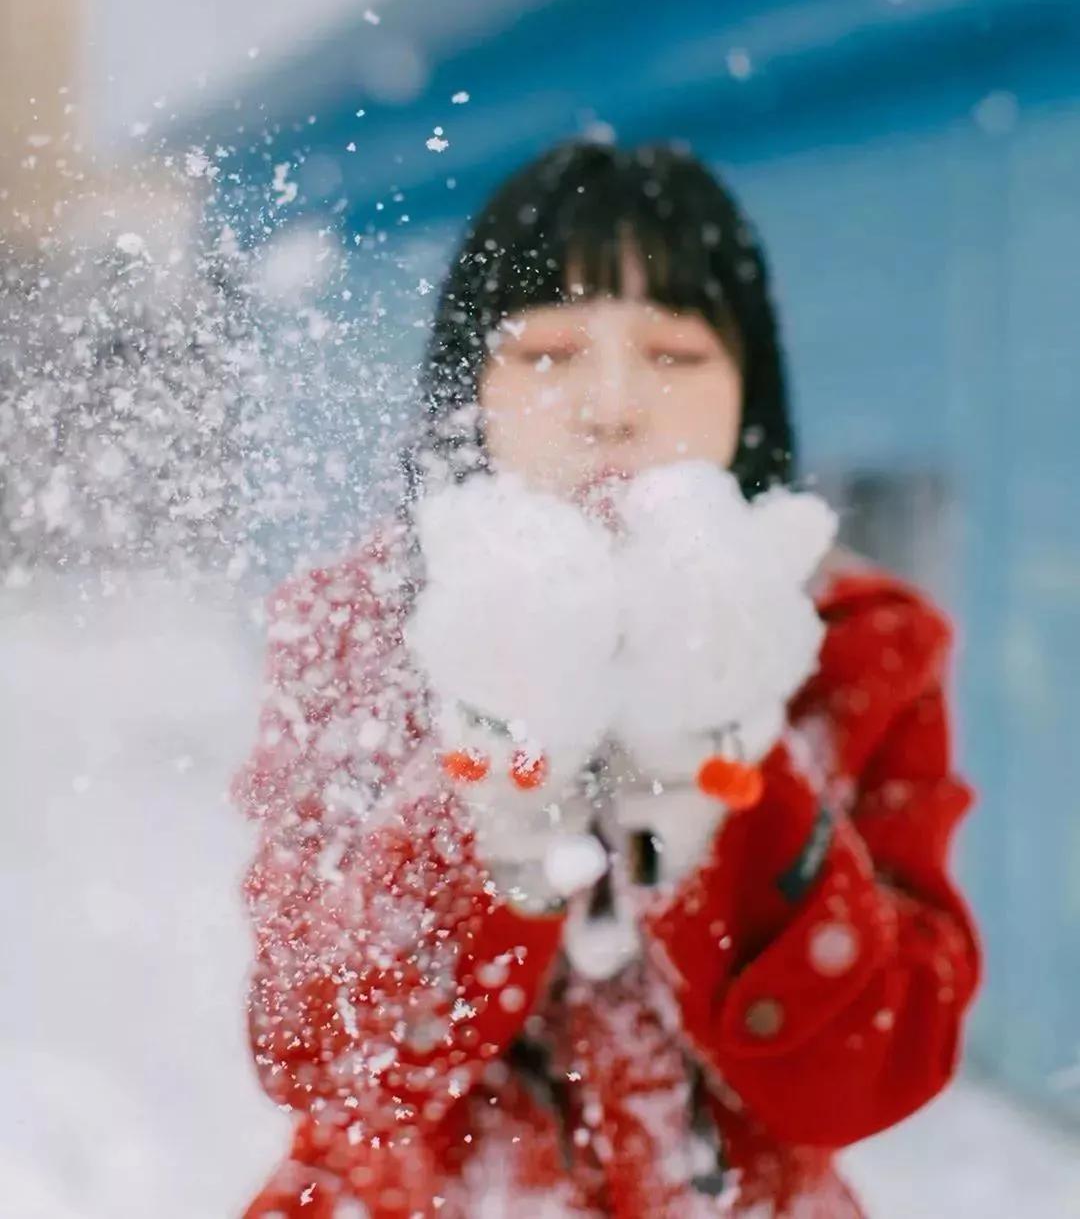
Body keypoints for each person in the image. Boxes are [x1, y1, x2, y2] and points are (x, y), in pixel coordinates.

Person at [234, 142, 980, 1218]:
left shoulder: (858, 654)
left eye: (674, 355)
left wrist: (729, 795)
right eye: (547, 351)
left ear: (749, 395)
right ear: (468, 387)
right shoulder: (363, 630)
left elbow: (876, 1069)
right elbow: (322, 1055)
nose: (613, 405)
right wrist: (492, 804)